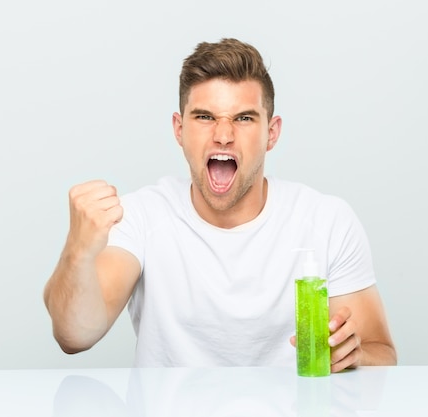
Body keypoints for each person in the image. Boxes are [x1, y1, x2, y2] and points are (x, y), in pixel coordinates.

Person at [43, 38, 397, 372]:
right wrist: (77, 251)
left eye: (243, 118)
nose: (223, 135)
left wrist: (355, 355)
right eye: (205, 117)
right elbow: (75, 336)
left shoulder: (327, 221)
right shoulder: (141, 217)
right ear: (179, 129)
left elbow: (382, 352)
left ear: (271, 133)